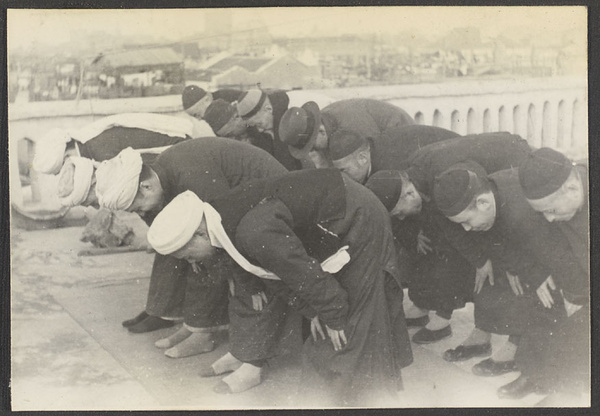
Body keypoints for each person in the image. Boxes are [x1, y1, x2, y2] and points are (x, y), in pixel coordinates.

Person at [147, 169, 413, 406]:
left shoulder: (253, 231)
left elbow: (302, 273)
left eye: (190, 256)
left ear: (200, 234)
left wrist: (333, 314)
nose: (194, 263)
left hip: (359, 219)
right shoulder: (220, 220)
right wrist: (312, 310)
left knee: (347, 331)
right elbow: (275, 274)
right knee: (346, 328)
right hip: (334, 220)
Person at [95, 138, 288, 359]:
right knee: (195, 261)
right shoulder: (160, 173)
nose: (140, 213)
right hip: (241, 203)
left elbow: (226, 230)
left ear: (146, 187)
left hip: (273, 197)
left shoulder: (193, 177)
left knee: (226, 267)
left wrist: (247, 281)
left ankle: (220, 342)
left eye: (138, 208)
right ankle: (197, 327)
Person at [365, 133, 532, 346]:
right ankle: (474, 325)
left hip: (513, 163)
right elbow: (451, 229)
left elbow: (488, 215)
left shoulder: (446, 179)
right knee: (475, 254)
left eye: (399, 212)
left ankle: (506, 336)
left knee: (504, 257)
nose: (402, 218)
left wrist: (486, 258)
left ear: (408, 193)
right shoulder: (419, 177)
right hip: (487, 182)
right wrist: (479, 259)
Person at [431, 161, 578, 385]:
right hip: (518, 239)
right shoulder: (487, 206)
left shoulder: (522, 211)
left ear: (482, 203)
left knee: (545, 288)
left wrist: (534, 274)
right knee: (489, 271)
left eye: (467, 221)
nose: (466, 229)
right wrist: (508, 264)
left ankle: (530, 359)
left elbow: (557, 251)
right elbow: (497, 239)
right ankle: (484, 336)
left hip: (555, 242)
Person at [496, 148, 589, 402]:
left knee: (582, 322)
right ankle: (536, 374)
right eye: (541, 212)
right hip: (577, 266)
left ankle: (570, 391)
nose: (547, 219)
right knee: (545, 293)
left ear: (572, 188)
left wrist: (580, 297)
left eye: (551, 210)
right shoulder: (552, 201)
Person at [279, 99, 415, 168]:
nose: (313, 152)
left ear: (320, 131)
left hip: (400, 132)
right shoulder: (323, 124)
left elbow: (369, 161)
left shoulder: (355, 128)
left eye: (312, 147)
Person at [327, 125, 459, 184]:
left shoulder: (390, 166)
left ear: (362, 158)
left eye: (344, 170)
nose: (342, 177)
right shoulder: (373, 150)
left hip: (454, 160)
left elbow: (414, 198)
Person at [236, 89, 303, 171]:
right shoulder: (263, 129)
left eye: (259, 124)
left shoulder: (292, 123)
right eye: (255, 126)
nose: (259, 130)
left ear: (268, 109)